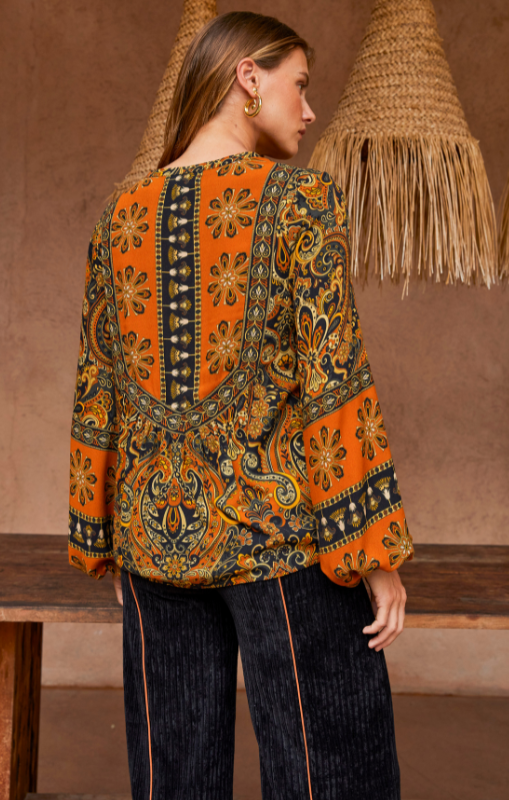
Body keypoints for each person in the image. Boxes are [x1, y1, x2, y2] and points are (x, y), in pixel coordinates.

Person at [68, 11, 414, 800]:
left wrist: (104, 537)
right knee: (332, 776)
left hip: (154, 540)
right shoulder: (299, 199)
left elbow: (96, 386)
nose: (309, 110)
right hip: (280, 537)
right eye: (300, 85)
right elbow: (334, 376)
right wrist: (374, 551)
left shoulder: (119, 214)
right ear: (247, 77)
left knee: (173, 781)